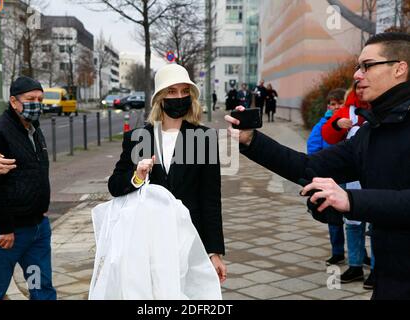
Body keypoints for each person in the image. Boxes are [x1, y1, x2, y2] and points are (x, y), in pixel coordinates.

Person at [225, 32, 410, 300]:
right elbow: (308, 166)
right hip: (390, 280)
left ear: (399, 68)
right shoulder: (371, 132)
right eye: (358, 67)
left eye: (367, 65)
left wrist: (351, 200)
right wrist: (252, 140)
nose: (357, 75)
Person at [108, 64, 226, 284]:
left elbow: (210, 199)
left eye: (184, 91)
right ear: (160, 98)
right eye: (171, 91)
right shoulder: (138, 137)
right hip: (147, 241)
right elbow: (115, 186)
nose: (179, 97)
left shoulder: (204, 138)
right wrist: (138, 177)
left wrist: (214, 251)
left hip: (190, 239)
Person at [0, 76, 56, 300]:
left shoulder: (34, 128)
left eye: (40, 99)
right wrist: (5, 228)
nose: (36, 103)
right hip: (9, 234)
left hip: (38, 229)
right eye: (30, 98)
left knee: (41, 287)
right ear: (13, 101)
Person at [322, 83, 375, 289]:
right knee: (352, 223)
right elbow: (327, 134)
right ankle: (355, 265)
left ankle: (378, 270)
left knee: (376, 225)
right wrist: (336, 125)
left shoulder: (384, 106)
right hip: (352, 177)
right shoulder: (347, 109)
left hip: (378, 175)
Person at [307, 88, 345, 267]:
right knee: (334, 217)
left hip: (351, 176)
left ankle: (359, 254)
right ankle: (337, 251)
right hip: (331, 175)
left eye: (339, 103)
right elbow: (313, 148)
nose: (336, 107)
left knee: (356, 221)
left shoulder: (352, 122)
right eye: (332, 104)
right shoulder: (323, 124)